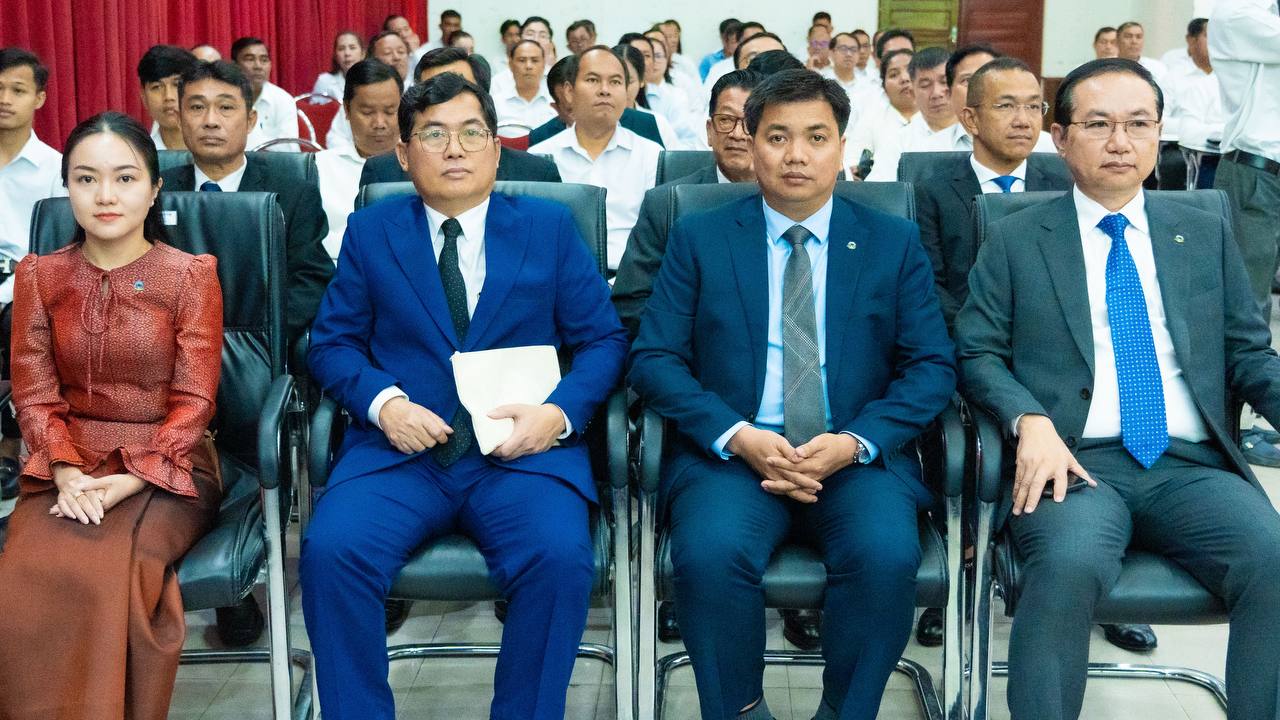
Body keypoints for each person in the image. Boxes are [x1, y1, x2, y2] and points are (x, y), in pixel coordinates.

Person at [956, 56, 1280, 720]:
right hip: (1073, 464)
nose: (1120, 142)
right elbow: (977, 350)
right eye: (1098, 124)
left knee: (1274, 559)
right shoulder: (1016, 237)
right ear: (1060, 137)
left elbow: (1249, 353)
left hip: (1190, 465)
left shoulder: (1203, 231)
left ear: (1159, 133)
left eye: (1138, 124)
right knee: (1066, 567)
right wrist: (1027, 419)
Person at [629, 68, 955, 720]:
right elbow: (654, 358)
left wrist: (855, 442)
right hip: (735, 456)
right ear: (750, 145)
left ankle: (844, 711)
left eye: (816, 137)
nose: (796, 155)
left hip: (855, 456)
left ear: (842, 148)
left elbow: (930, 366)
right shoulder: (701, 236)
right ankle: (742, 710)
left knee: (886, 556)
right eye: (777, 137)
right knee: (709, 555)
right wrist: (736, 435)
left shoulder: (892, 241)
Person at [301, 71, 628, 720]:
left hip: (522, 454)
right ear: (403, 153)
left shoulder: (549, 227)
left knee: (559, 558)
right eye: (434, 134)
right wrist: (385, 404)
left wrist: (558, 414)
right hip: (401, 455)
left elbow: (603, 342)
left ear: (496, 148)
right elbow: (331, 344)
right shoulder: (371, 231)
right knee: (331, 553)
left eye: (472, 133)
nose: (455, 148)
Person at [0, 110, 224, 720]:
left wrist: (130, 478)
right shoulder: (40, 275)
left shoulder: (190, 276)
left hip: (170, 465)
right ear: (66, 188)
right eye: (86, 179)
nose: (105, 196)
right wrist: (66, 472)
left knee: (107, 571)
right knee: (24, 572)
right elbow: (34, 392)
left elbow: (195, 400)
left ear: (154, 189)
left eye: (125, 178)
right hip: (65, 464)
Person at [165, 60, 331, 343]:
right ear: (180, 119)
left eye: (226, 107)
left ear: (251, 120)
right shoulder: (156, 192)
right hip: (171, 346)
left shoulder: (292, 194)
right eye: (197, 107)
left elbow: (311, 280)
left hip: (259, 348)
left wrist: (261, 335)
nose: (210, 121)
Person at [613, 68, 764, 334]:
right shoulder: (666, 205)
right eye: (726, 120)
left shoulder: (792, 202)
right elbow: (632, 303)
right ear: (709, 131)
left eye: (750, 122)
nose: (738, 134)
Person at [1210, 0, 1280, 467]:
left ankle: (1268, 411)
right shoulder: (1236, 14)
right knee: (1246, 305)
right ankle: (1238, 424)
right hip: (1256, 174)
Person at [530, 47, 662, 271]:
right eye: (593, 80)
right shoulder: (540, 156)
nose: (605, 90)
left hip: (630, 280)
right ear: (569, 92)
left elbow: (657, 238)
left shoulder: (651, 155)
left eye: (615, 82)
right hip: (559, 280)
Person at [0, 48, 65, 500]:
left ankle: (11, 448)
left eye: (17, 90)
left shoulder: (55, 169)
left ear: (39, 98)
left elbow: (56, 252)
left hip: (28, 289)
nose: (4, 98)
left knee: (21, 323)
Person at [359, 47, 562, 187]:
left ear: (485, 98)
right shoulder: (383, 174)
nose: (449, 103)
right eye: (435, 93)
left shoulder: (536, 175)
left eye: (460, 89)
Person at [315, 59, 401, 262]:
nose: (379, 123)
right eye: (368, 112)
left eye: (390, 111)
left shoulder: (421, 166)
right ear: (347, 110)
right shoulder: (319, 168)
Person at [865, 46, 955, 181]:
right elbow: (879, 189)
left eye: (944, 82)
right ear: (913, 88)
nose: (936, 93)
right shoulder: (898, 142)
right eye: (925, 85)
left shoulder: (979, 131)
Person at [843, 48, 916, 178]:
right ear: (884, 87)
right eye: (894, 74)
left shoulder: (938, 119)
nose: (904, 78)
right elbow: (851, 161)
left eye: (910, 71)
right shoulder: (872, 119)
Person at [230, 37, 299, 151]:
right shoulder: (225, 98)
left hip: (274, 161)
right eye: (250, 59)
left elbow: (290, 148)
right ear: (234, 65)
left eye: (264, 60)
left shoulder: (283, 99)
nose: (258, 66)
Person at [137, 45, 199, 151]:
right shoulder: (139, 155)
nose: (168, 96)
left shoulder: (222, 151)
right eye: (157, 87)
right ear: (144, 97)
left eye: (177, 85)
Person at [492, 39, 554, 132]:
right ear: (510, 64)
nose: (528, 66)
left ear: (543, 64)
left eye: (535, 60)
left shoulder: (556, 103)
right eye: (522, 60)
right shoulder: (495, 104)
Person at [822, 33, 875, 124]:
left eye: (853, 50)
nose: (849, 54)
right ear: (831, 53)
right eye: (843, 49)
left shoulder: (869, 85)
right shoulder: (822, 82)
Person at [704, 21, 765, 92]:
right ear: (739, 42)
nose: (753, 44)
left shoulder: (773, 63)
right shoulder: (718, 69)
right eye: (747, 40)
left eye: (758, 39)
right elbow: (707, 96)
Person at [311, 31, 365, 101]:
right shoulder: (325, 81)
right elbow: (316, 107)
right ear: (335, 55)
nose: (347, 53)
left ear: (363, 53)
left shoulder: (374, 81)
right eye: (341, 49)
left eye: (352, 48)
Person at [1116, 22, 1168, 88]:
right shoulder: (1107, 67)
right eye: (1128, 36)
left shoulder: (1157, 68)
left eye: (1139, 37)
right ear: (1117, 40)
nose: (1134, 41)